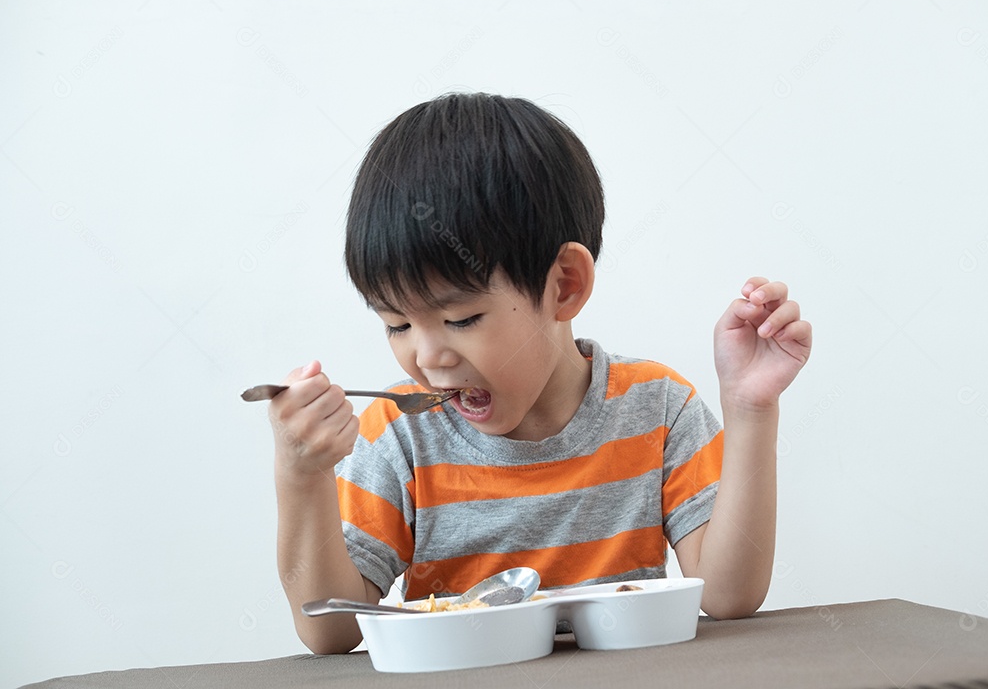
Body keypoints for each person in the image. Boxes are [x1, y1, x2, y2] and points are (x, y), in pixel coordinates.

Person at [268, 93, 812, 654]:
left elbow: (729, 596)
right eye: (397, 325)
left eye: (460, 318)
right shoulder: (400, 436)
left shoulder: (656, 409)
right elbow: (329, 630)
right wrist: (300, 476)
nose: (427, 359)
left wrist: (751, 411)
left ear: (564, 286)